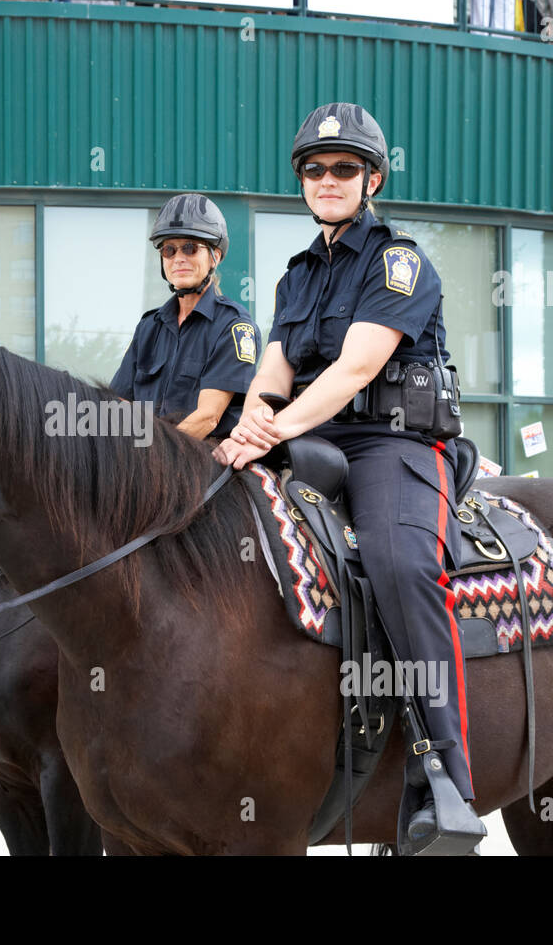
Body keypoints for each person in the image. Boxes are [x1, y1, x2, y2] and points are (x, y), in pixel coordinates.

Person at [212, 102, 484, 852]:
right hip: (311, 437)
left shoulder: (399, 261)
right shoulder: (296, 278)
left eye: (343, 169)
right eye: (314, 169)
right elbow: (273, 372)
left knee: (399, 564)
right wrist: (244, 429)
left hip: (390, 445)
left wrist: (274, 424)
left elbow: (356, 367)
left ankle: (447, 779)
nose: (327, 180)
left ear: (372, 177)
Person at [110, 194, 257, 441]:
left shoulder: (234, 326)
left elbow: (208, 417)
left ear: (215, 256)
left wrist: (152, 456)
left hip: (205, 460)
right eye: (169, 249)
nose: (179, 258)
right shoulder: (148, 327)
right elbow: (120, 405)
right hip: (147, 458)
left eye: (190, 248)